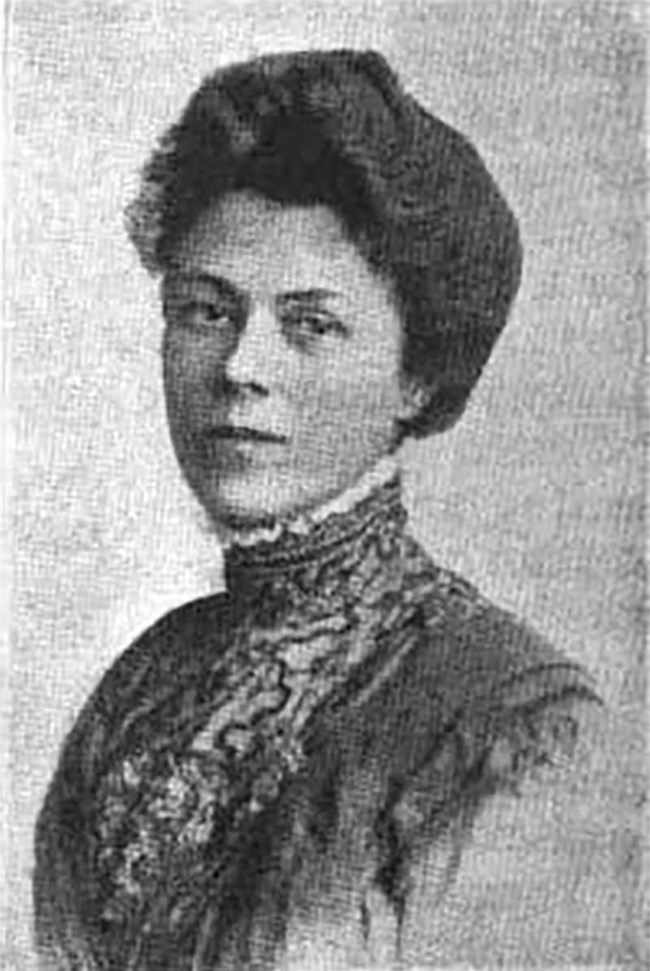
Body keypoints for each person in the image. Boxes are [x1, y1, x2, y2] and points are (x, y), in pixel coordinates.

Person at [33, 49, 627, 970]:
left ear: (417, 372)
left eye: (309, 324)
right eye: (205, 310)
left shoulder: (518, 728)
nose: (240, 368)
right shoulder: (138, 693)